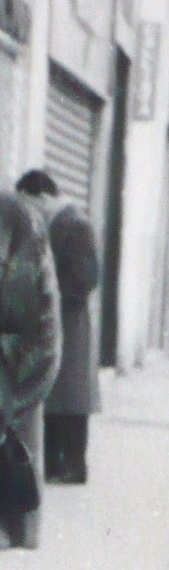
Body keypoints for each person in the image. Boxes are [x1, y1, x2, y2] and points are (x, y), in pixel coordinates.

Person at [16, 169, 99, 485]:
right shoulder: (52, 222)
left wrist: (48, 290)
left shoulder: (76, 224)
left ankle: (75, 466)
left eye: (30, 203)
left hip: (70, 321)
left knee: (72, 397)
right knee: (55, 393)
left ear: (43, 197)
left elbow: (87, 278)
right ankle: (53, 464)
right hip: (53, 320)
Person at [0, 189, 61, 548]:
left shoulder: (15, 217)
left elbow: (35, 316)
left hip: (12, 361)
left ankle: (12, 526)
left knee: (14, 442)